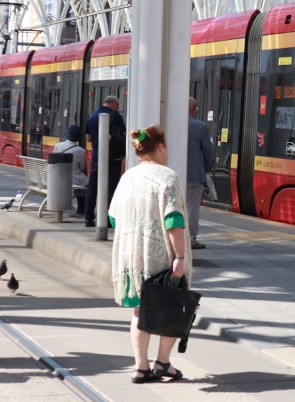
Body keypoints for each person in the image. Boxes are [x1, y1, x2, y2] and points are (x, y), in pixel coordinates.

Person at [108, 125, 191, 384]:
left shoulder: (127, 177)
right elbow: (173, 220)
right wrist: (179, 256)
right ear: (161, 147)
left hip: (131, 257)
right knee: (173, 308)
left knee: (139, 312)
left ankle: (140, 367)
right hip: (161, 258)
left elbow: (113, 217)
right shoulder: (168, 177)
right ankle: (163, 362)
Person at [84, 95, 126, 227]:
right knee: (111, 186)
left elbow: (89, 138)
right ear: (113, 104)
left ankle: (88, 218)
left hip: (97, 155)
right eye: (117, 106)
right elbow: (123, 134)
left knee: (92, 186)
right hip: (113, 157)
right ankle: (108, 220)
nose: (117, 108)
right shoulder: (116, 116)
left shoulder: (92, 116)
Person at [186, 97, 214, 250]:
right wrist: (206, 168)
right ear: (194, 109)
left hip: (172, 172)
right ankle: (190, 239)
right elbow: (208, 151)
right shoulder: (200, 126)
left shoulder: (169, 125)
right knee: (192, 207)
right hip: (194, 174)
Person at [54, 124, 88, 215]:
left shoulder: (57, 146)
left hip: (56, 178)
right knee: (85, 182)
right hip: (72, 180)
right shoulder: (81, 151)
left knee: (80, 181)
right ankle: (81, 208)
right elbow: (82, 167)